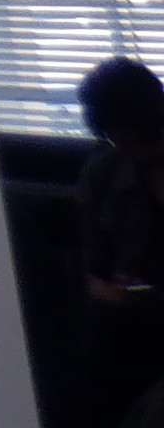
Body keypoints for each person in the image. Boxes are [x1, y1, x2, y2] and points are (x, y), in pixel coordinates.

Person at [80, 56, 164, 426]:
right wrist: (108, 291)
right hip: (130, 327)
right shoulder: (105, 174)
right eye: (122, 141)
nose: (137, 152)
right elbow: (88, 264)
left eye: (145, 139)